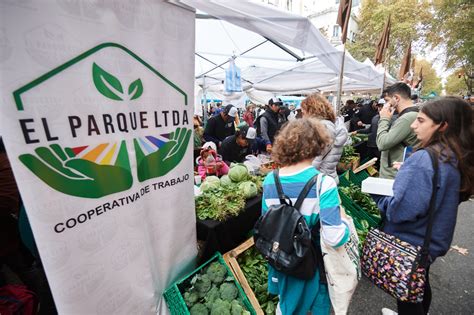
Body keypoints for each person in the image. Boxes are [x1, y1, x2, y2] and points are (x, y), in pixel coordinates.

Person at [372, 97, 473, 315]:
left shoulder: (424, 160)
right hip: (431, 239)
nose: (412, 125)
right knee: (418, 282)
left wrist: (378, 198)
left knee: (407, 294)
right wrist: (409, 174)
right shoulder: (453, 156)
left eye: (420, 120)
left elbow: (400, 211)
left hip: (412, 240)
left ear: (442, 125)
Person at [261, 118, 351, 315]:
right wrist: (345, 222)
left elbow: (268, 226)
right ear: (317, 145)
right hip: (314, 265)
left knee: (287, 307)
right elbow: (334, 237)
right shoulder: (324, 184)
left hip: (283, 260)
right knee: (319, 307)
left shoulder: (269, 180)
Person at [301, 93, 348, 183]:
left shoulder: (323, 127)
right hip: (326, 177)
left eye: (304, 112)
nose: (303, 116)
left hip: (319, 180)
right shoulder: (329, 124)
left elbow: (315, 160)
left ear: (311, 110)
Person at [377, 82, 419, 179]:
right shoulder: (413, 114)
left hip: (394, 175)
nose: (387, 105)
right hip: (398, 172)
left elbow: (382, 143)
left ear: (396, 98)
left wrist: (384, 118)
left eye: (387, 100)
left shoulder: (407, 118)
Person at [354, 98, 385, 166]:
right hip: (370, 145)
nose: (380, 108)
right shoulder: (375, 117)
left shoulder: (388, 119)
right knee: (370, 164)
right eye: (379, 106)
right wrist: (358, 131)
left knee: (379, 164)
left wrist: (367, 136)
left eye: (382, 106)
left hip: (379, 147)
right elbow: (370, 129)